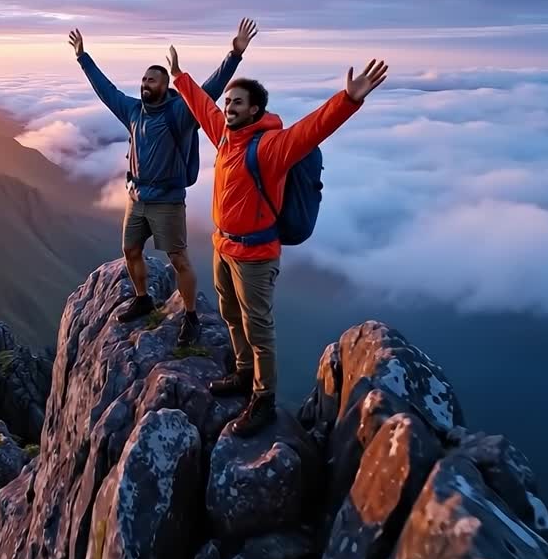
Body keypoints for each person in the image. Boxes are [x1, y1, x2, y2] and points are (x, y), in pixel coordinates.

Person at [166, 44, 388, 435]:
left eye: (237, 102)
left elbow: (312, 128)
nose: (229, 107)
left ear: (255, 110)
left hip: (255, 256)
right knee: (232, 316)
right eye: (229, 101)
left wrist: (349, 100)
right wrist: (180, 78)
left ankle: (263, 398)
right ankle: (241, 373)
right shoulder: (224, 136)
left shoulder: (270, 147)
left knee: (258, 329)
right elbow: (204, 108)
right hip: (224, 246)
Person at [68, 20, 259, 347]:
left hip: (168, 201)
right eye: (143, 79)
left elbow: (207, 92)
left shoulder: (180, 113)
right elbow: (106, 90)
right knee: (130, 250)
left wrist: (234, 55)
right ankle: (143, 298)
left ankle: (190, 316)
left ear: (163, 85)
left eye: (151, 80)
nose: (144, 84)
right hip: (137, 197)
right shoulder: (132, 110)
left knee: (179, 259)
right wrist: (82, 57)